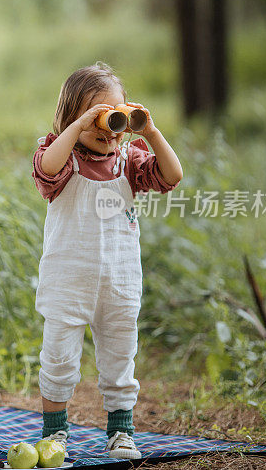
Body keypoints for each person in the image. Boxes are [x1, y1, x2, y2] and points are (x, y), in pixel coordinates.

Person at [32, 63, 183, 460]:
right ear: (71, 117)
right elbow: (46, 170)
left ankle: (120, 430)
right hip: (68, 281)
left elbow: (172, 176)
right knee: (59, 358)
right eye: (96, 116)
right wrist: (80, 124)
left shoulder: (129, 160)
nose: (107, 127)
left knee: (119, 358)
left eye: (115, 115)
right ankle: (55, 432)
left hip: (119, 282)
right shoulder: (60, 156)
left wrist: (149, 131)